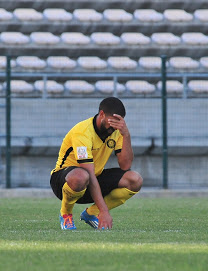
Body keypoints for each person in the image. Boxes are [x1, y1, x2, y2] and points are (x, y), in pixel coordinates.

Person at [50, 97, 143, 230]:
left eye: (119, 122)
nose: (114, 126)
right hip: (64, 181)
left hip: (92, 179)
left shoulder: (117, 131)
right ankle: (65, 214)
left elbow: (125, 165)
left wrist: (126, 135)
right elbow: (88, 172)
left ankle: (91, 214)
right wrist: (104, 211)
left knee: (135, 180)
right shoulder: (82, 132)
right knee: (81, 176)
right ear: (102, 114)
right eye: (112, 121)